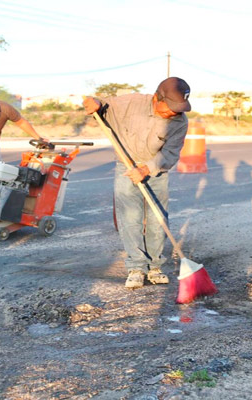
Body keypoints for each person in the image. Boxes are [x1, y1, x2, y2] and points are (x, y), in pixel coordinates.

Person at [82, 77, 191, 289]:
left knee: (158, 219)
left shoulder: (179, 122)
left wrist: (147, 169)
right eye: (171, 107)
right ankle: (136, 267)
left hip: (156, 169)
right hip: (127, 165)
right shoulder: (131, 103)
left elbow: (170, 153)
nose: (174, 113)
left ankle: (155, 266)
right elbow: (103, 104)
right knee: (130, 218)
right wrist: (93, 102)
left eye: (179, 109)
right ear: (157, 98)